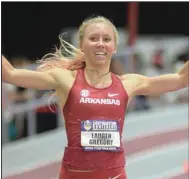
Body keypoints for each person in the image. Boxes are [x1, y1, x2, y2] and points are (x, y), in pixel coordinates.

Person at [2, 15, 189, 179]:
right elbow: (9, 74)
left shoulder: (128, 83)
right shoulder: (66, 80)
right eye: (93, 38)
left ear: (114, 47)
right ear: (82, 45)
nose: (100, 43)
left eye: (106, 39)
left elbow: (181, 79)